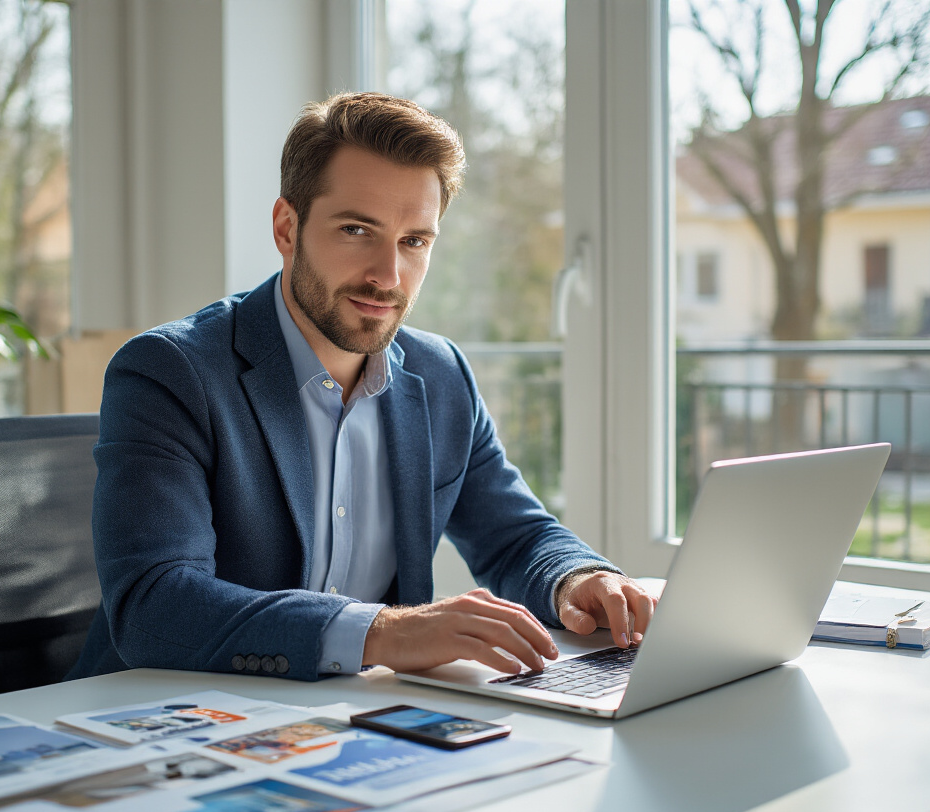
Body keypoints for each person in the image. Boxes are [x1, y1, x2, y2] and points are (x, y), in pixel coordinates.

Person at [67, 92, 655, 683]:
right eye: (357, 230)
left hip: (357, 720)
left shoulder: (441, 374)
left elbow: (515, 536)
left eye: (414, 241)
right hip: (168, 721)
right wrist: (382, 632)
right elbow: (155, 603)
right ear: (286, 228)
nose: (387, 276)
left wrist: (578, 579)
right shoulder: (170, 372)